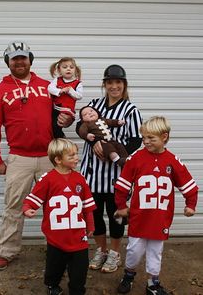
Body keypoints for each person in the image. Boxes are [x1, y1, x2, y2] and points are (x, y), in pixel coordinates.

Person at [0, 41, 73, 271]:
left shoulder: (48, 86)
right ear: (8, 62)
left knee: (57, 204)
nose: (19, 61)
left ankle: (60, 249)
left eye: (23, 57)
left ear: (30, 60)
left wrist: (69, 119)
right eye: (14, 58)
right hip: (19, 158)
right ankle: (6, 252)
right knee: (13, 207)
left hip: (50, 157)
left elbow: (65, 111)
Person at [114, 116, 198, 295]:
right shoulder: (136, 158)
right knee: (134, 251)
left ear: (164, 136)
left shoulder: (172, 161)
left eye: (151, 138)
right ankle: (128, 275)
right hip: (139, 216)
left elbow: (189, 185)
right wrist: (121, 205)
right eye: (144, 138)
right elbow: (122, 185)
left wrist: (191, 204)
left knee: (155, 252)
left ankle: (153, 283)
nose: (146, 142)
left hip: (160, 218)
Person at [77, 64, 142, 273]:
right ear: (104, 84)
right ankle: (101, 250)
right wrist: (94, 142)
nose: (114, 86)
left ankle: (114, 253)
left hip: (115, 174)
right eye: (110, 82)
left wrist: (112, 150)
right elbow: (83, 127)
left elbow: (135, 141)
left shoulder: (130, 110)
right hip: (92, 173)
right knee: (94, 215)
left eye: (118, 82)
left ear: (124, 84)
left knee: (116, 215)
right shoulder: (94, 104)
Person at [22, 138, 96, 295]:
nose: (76, 158)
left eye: (76, 154)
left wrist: (90, 224)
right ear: (58, 159)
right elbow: (33, 198)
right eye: (71, 156)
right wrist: (28, 208)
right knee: (54, 267)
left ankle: (77, 290)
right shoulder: (47, 179)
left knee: (80, 270)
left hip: (78, 236)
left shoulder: (80, 179)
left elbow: (87, 205)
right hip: (56, 236)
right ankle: (52, 285)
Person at [48, 57, 83, 138]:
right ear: (59, 70)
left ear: (75, 70)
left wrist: (70, 90)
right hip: (56, 108)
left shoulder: (78, 83)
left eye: (71, 67)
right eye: (65, 67)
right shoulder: (57, 80)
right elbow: (50, 88)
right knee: (50, 125)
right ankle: (59, 140)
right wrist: (59, 91)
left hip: (67, 110)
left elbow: (79, 96)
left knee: (57, 126)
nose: (68, 69)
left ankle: (61, 139)